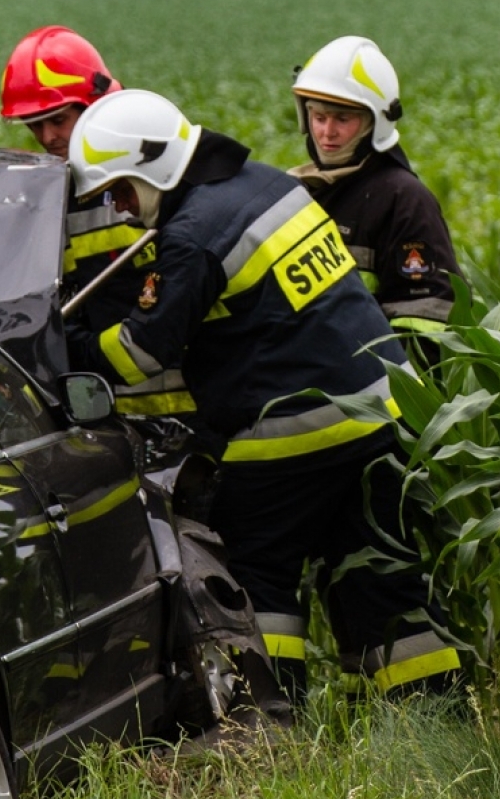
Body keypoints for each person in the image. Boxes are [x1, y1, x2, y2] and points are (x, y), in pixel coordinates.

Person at [63, 88, 462, 704]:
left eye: (119, 191)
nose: (117, 208)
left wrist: (69, 346)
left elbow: (143, 352)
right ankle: (434, 708)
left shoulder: (195, 234)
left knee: (254, 572)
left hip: (293, 427)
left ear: (152, 168)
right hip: (378, 412)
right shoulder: (267, 183)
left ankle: (269, 715)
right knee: (379, 571)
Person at [0, 26, 194, 419]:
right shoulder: (48, 194)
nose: (47, 137)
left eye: (58, 120)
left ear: (97, 105)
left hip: (198, 401)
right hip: (113, 411)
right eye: (34, 125)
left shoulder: (156, 166)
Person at [289, 36, 459, 354]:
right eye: (318, 117)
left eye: (343, 119)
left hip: (371, 380)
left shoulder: (404, 200)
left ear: (375, 122)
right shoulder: (295, 192)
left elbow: (426, 322)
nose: (327, 132)